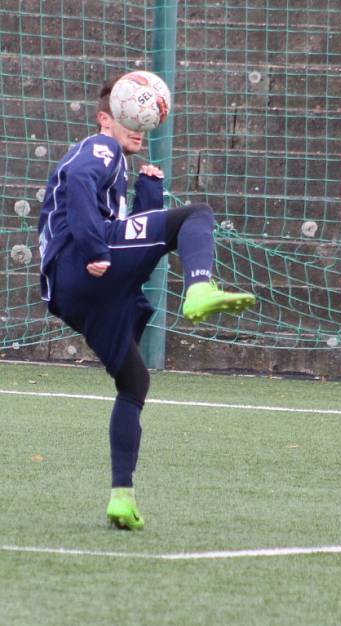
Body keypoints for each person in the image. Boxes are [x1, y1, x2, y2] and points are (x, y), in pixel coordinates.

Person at [37, 75, 256, 530]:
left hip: (78, 295)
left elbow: (131, 235)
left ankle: (121, 496)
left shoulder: (117, 167)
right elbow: (79, 182)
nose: (139, 126)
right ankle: (198, 287)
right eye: (128, 117)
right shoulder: (99, 149)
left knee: (134, 384)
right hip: (81, 263)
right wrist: (95, 249)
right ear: (105, 118)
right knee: (196, 215)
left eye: (144, 120)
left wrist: (148, 196)